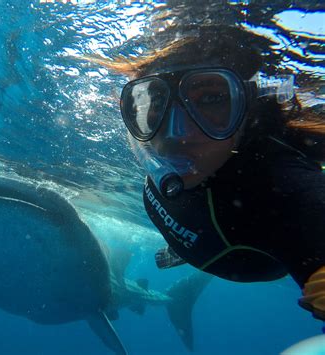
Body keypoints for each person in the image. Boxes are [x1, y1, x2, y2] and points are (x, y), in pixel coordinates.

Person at [88, 26, 325, 321]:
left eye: (211, 99)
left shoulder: (286, 191)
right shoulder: (148, 141)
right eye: (157, 102)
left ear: (247, 112)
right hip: (198, 241)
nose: (177, 134)